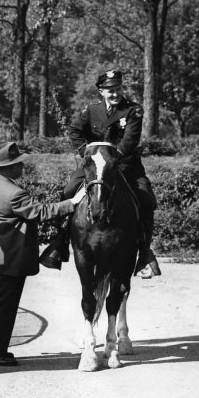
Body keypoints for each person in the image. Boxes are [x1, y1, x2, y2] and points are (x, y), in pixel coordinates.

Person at [0, 141, 85, 367]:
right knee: (4, 309)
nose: (22, 167)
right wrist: (72, 202)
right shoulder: (15, 192)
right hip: (10, 261)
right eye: (19, 163)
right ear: (9, 166)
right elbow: (40, 212)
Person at [64, 68, 161, 279]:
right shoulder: (91, 110)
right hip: (94, 165)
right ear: (101, 91)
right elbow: (74, 131)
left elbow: (130, 141)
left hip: (125, 166)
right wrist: (87, 153)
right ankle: (60, 242)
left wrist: (112, 158)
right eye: (110, 90)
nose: (115, 94)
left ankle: (144, 252)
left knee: (145, 197)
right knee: (69, 189)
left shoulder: (133, 110)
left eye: (117, 89)